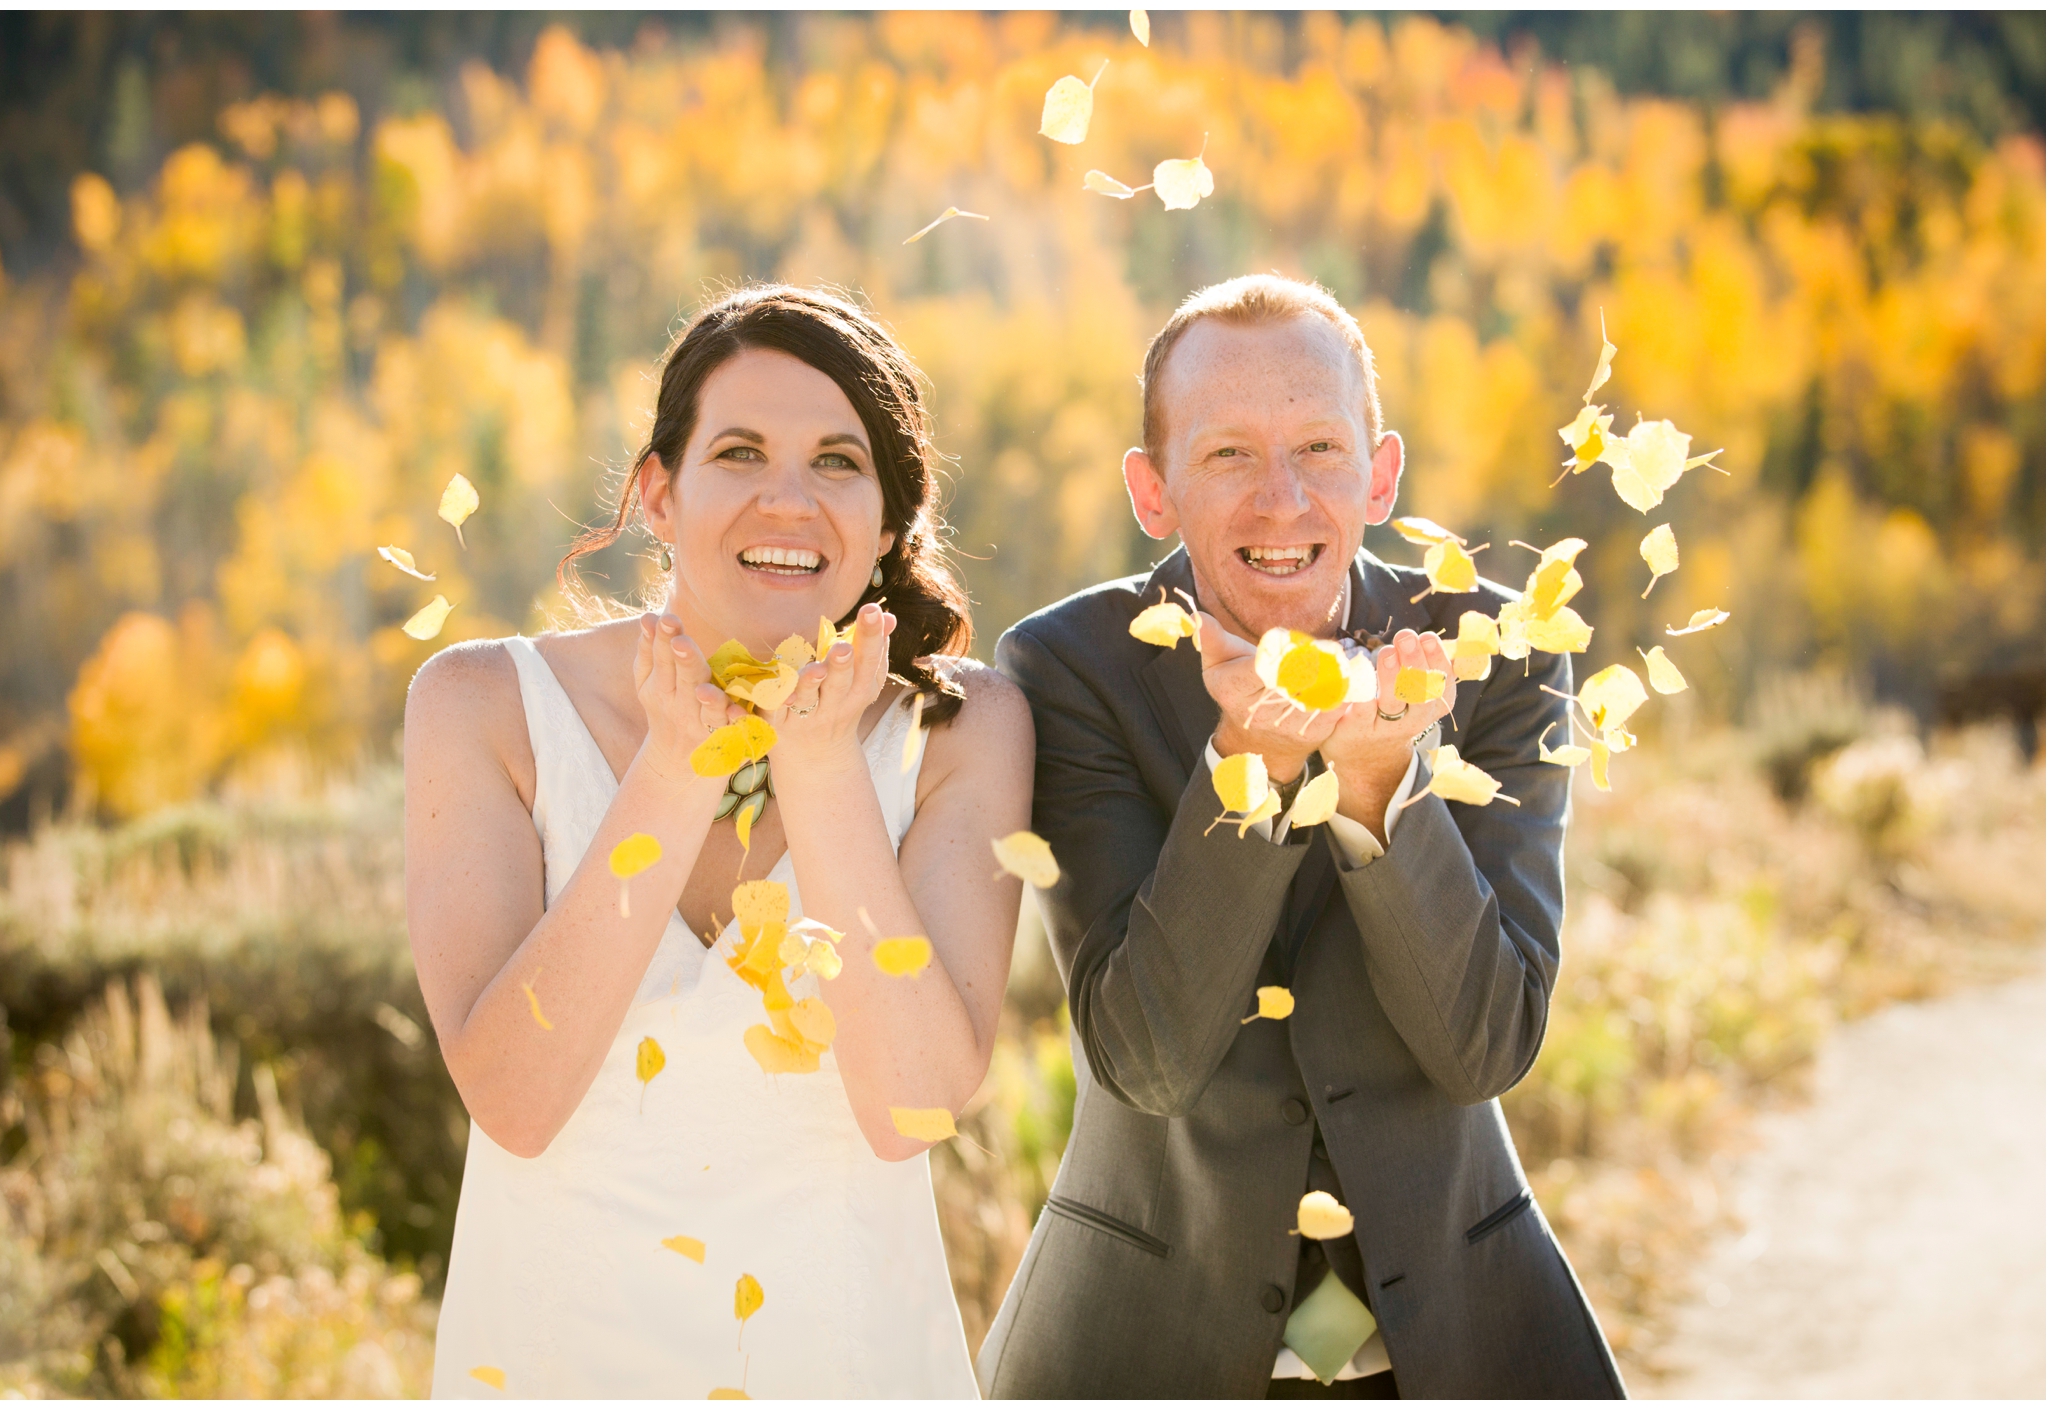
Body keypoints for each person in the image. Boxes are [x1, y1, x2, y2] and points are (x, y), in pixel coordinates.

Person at [978, 274, 1626, 1399]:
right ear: (1153, 491)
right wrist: (1257, 764)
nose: (1280, 502)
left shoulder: (1499, 656)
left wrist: (1379, 794)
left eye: (1319, 448)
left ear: (1379, 475)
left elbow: (1485, 1046)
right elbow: (1148, 1055)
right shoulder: (1068, 668)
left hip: (1465, 1352)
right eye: (1227, 454)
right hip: (1144, 1350)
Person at [405, 286, 1031, 1398]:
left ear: (890, 520)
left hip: (848, 1363)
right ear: (659, 491)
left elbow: (911, 1109)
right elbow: (514, 1099)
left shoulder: (961, 729)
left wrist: (824, 770)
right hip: (554, 1363)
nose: (788, 502)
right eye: (739, 452)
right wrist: (673, 773)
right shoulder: (481, 706)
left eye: (839, 462)